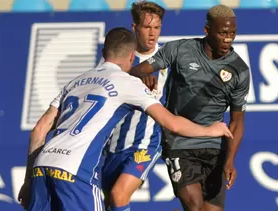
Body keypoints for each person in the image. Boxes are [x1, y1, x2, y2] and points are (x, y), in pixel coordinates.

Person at [17, 27, 233, 211]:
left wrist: (28, 180)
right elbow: (171, 123)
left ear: (103, 53)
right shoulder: (127, 82)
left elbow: (39, 129)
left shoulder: (75, 82)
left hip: (42, 166)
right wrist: (210, 130)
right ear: (132, 57)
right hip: (76, 172)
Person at [129, 4, 250, 211]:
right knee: (194, 206)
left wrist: (230, 160)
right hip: (180, 143)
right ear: (207, 30)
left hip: (214, 148)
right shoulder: (179, 49)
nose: (228, 38)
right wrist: (140, 75)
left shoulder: (239, 70)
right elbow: (134, 71)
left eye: (232, 33)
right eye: (222, 33)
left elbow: (237, 121)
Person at [100, 1, 168, 210]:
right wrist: (134, 76)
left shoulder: (168, 59)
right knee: (110, 203)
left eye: (156, 28)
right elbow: (101, 85)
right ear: (135, 28)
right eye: (147, 27)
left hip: (145, 144)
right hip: (113, 145)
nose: (152, 33)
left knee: (119, 194)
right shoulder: (120, 57)